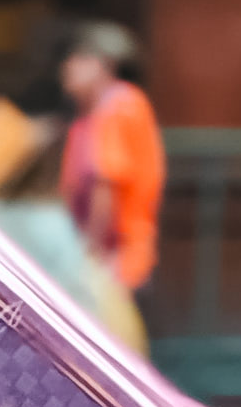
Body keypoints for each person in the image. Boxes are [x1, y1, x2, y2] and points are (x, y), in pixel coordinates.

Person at [59, 21, 166, 295]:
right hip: (105, 265)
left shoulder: (118, 106)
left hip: (117, 265)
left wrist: (89, 258)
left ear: (102, 65)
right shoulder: (89, 116)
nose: (67, 67)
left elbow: (105, 185)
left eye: (79, 59)